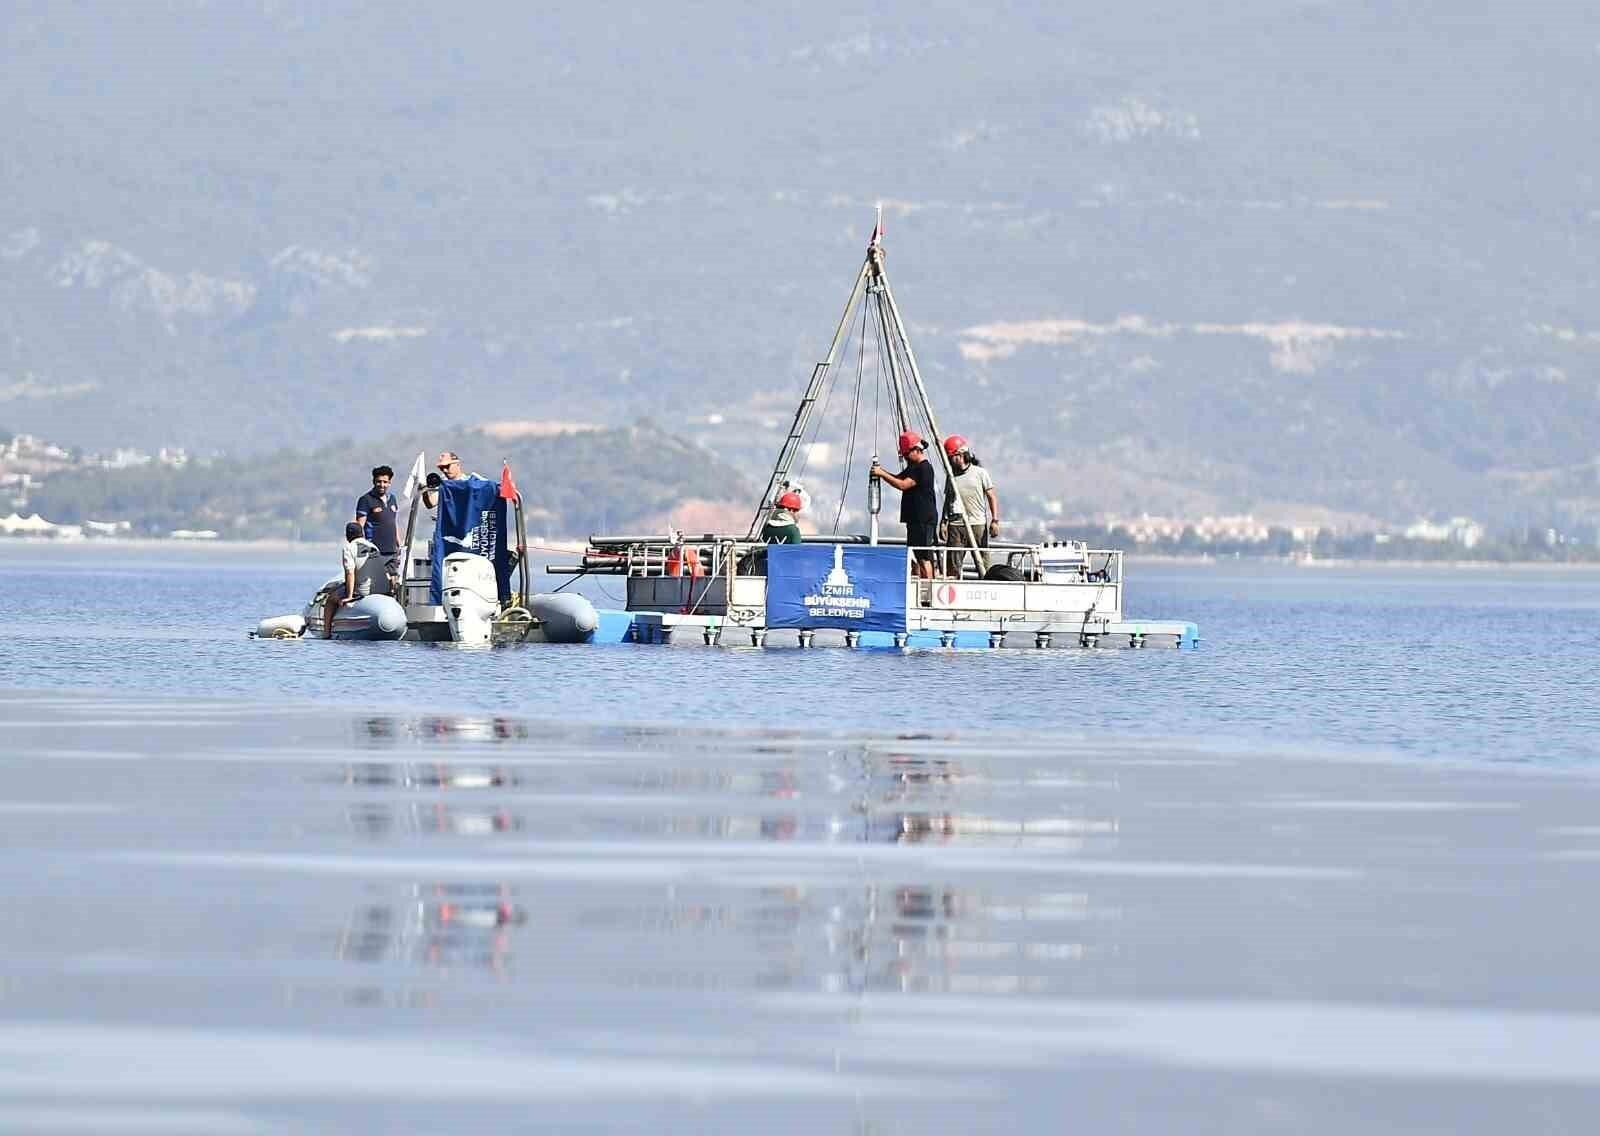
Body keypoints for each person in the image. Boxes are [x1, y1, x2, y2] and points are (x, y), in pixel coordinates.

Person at [870, 430, 939, 580]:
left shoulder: (924, 468)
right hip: (914, 519)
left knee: (924, 556)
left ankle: (929, 589)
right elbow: (897, 478)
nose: (906, 457)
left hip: (923, 519)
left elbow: (903, 484)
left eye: (907, 454)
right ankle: (918, 586)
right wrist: (881, 472)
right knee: (915, 556)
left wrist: (881, 473)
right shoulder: (912, 468)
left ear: (916, 450)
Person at [940, 435, 1001, 577]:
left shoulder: (980, 473)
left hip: (977, 524)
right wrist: (944, 522)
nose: (951, 461)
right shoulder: (951, 476)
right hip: (956, 526)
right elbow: (948, 499)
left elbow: (991, 496)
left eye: (952, 457)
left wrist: (995, 520)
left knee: (983, 564)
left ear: (960, 455)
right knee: (953, 566)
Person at [323, 522, 390, 637]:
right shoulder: (373, 547)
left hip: (364, 591)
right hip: (383, 590)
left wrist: (349, 596)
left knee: (330, 600)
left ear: (347, 536)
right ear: (362, 533)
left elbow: (350, 573)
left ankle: (326, 633)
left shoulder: (349, 548)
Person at [354, 465, 401, 586]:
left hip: (391, 549)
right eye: (379, 481)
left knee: (394, 580)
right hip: (374, 550)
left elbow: (393, 522)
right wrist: (359, 547)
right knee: (378, 581)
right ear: (374, 482)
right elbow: (359, 526)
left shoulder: (393, 499)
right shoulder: (366, 500)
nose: (382, 485)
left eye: (385, 482)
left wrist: (398, 542)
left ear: (390, 482)